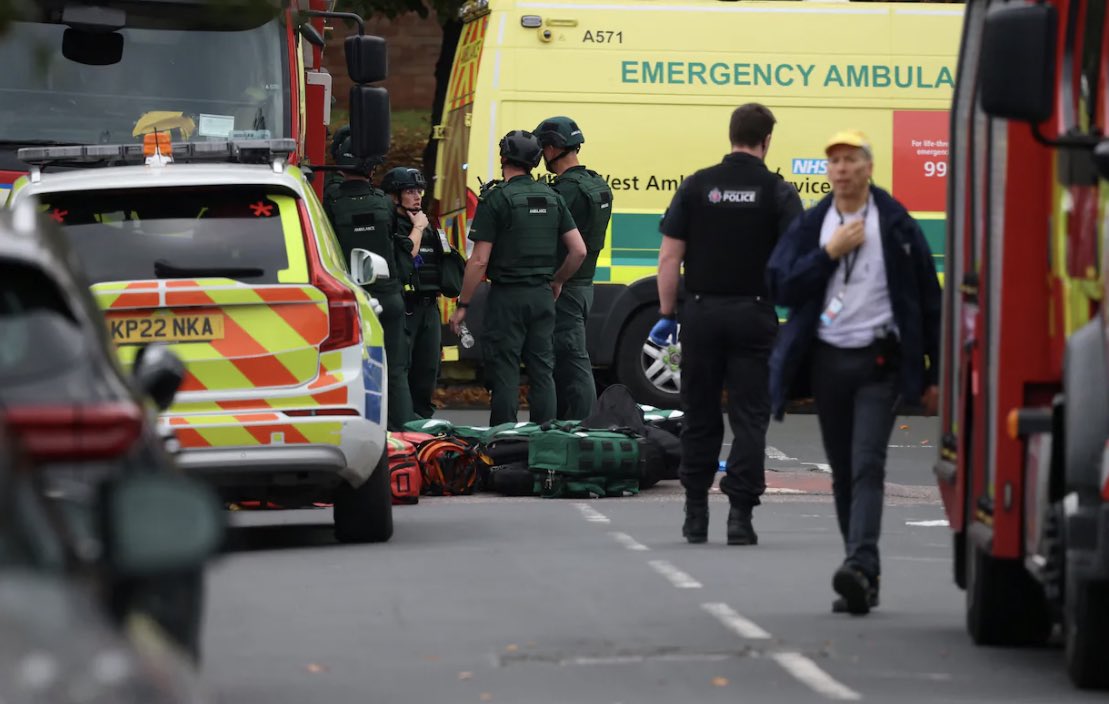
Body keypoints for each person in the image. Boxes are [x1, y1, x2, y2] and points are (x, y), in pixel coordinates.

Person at [766, 129, 941, 615]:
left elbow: (930, 301)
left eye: (850, 160)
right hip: (828, 363)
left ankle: (860, 565)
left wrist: (935, 376)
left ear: (869, 167)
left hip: (880, 364)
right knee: (843, 471)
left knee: (867, 464)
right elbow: (780, 285)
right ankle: (863, 573)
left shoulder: (896, 223)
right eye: (835, 161)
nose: (841, 168)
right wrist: (829, 253)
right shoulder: (815, 224)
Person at [652, 103, 803, 546]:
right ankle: (740, 517)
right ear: (766, 140)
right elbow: (797, 260)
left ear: (731, 135)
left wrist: (666, 314)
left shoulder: (697, 186)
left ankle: (695, 512)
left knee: (700, 413)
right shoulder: (779, 192)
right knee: (750, 417)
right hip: (755, 315)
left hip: (702, 313)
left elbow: (669, 257)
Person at [449, 130, 587, 426]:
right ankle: (545, 439)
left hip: (507, 298)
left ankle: (503, 442)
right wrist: (557, 281)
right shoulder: (553, 197)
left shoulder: (497, 199)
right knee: (542, 371)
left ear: (503, 158)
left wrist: (463, 304)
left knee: (505, 372)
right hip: (542, 296)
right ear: (535, 161)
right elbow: (579, 251)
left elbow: (479, 260)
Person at [325, 139, 416, 430]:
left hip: (351, 300)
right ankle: (403, 436)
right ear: (372, 167)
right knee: (396, 370)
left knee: (350, 369)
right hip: (388, 296)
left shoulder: (330, 204)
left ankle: (361, 430)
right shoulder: (384, 203)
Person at [533, 116, 613, 421]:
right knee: (566, 361)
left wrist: (557, 280)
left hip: (565, 285)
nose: (542, 155)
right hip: (584, 284)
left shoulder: (566, 191)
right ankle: (566, 424)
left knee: (573, 361)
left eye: (543, 148)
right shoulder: (597, 184)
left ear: (553, 149)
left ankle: (584, 427)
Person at [381, 166, 441, 419]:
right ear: (394, 196)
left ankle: (424, 424)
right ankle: (403, 425)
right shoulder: (393, 225)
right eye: (410, 191)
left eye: (419, 191)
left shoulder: (426, 224)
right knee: (401, 369)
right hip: (406, 306)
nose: (417, 197)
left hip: (429, 306)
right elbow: (406, 256)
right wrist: (417, 228)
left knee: (428, 371)